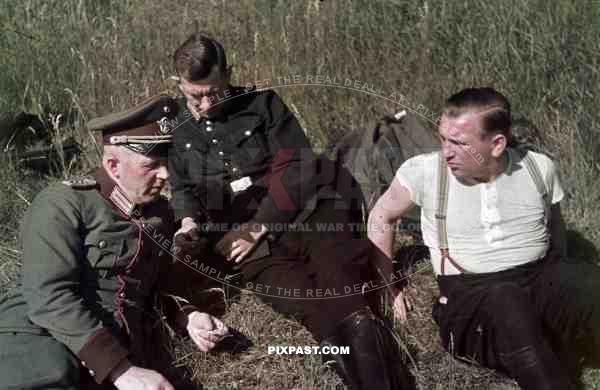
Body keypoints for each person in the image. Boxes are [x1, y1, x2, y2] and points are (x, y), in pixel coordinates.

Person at [168, 33, 415, 390]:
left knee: (343, 293)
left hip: (308, 214)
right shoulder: (176, 130)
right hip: (246, 245)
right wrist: (188, 221)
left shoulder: (263, 104)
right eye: (195, 95)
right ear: (179, 85)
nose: (206, 104)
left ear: (228, 75)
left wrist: (260, 225)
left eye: (214, 92)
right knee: (307, 306)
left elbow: (298, 168)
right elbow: (182, 188)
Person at [368, 87, 600, 389]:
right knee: (508, 301)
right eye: (442, 139)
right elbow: (380, 217)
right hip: (471, 296)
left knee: (588, 280)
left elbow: (555, 227)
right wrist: (388, 288)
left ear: (497, 144)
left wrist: (564, 280)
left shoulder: (538, 168)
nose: (446, 151)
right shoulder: (424, 172)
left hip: (538, 276)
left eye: (459, 143)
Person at [0, 94, 228, 390]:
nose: (165, 175)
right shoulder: (63, 203)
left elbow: (153, 286)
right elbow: (48, 296)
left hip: (111, 351)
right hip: (43, 339)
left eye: (167, 163)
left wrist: (187, 316)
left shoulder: (158, 212)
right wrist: (122, 371)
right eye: (151, 165)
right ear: (113, 164)